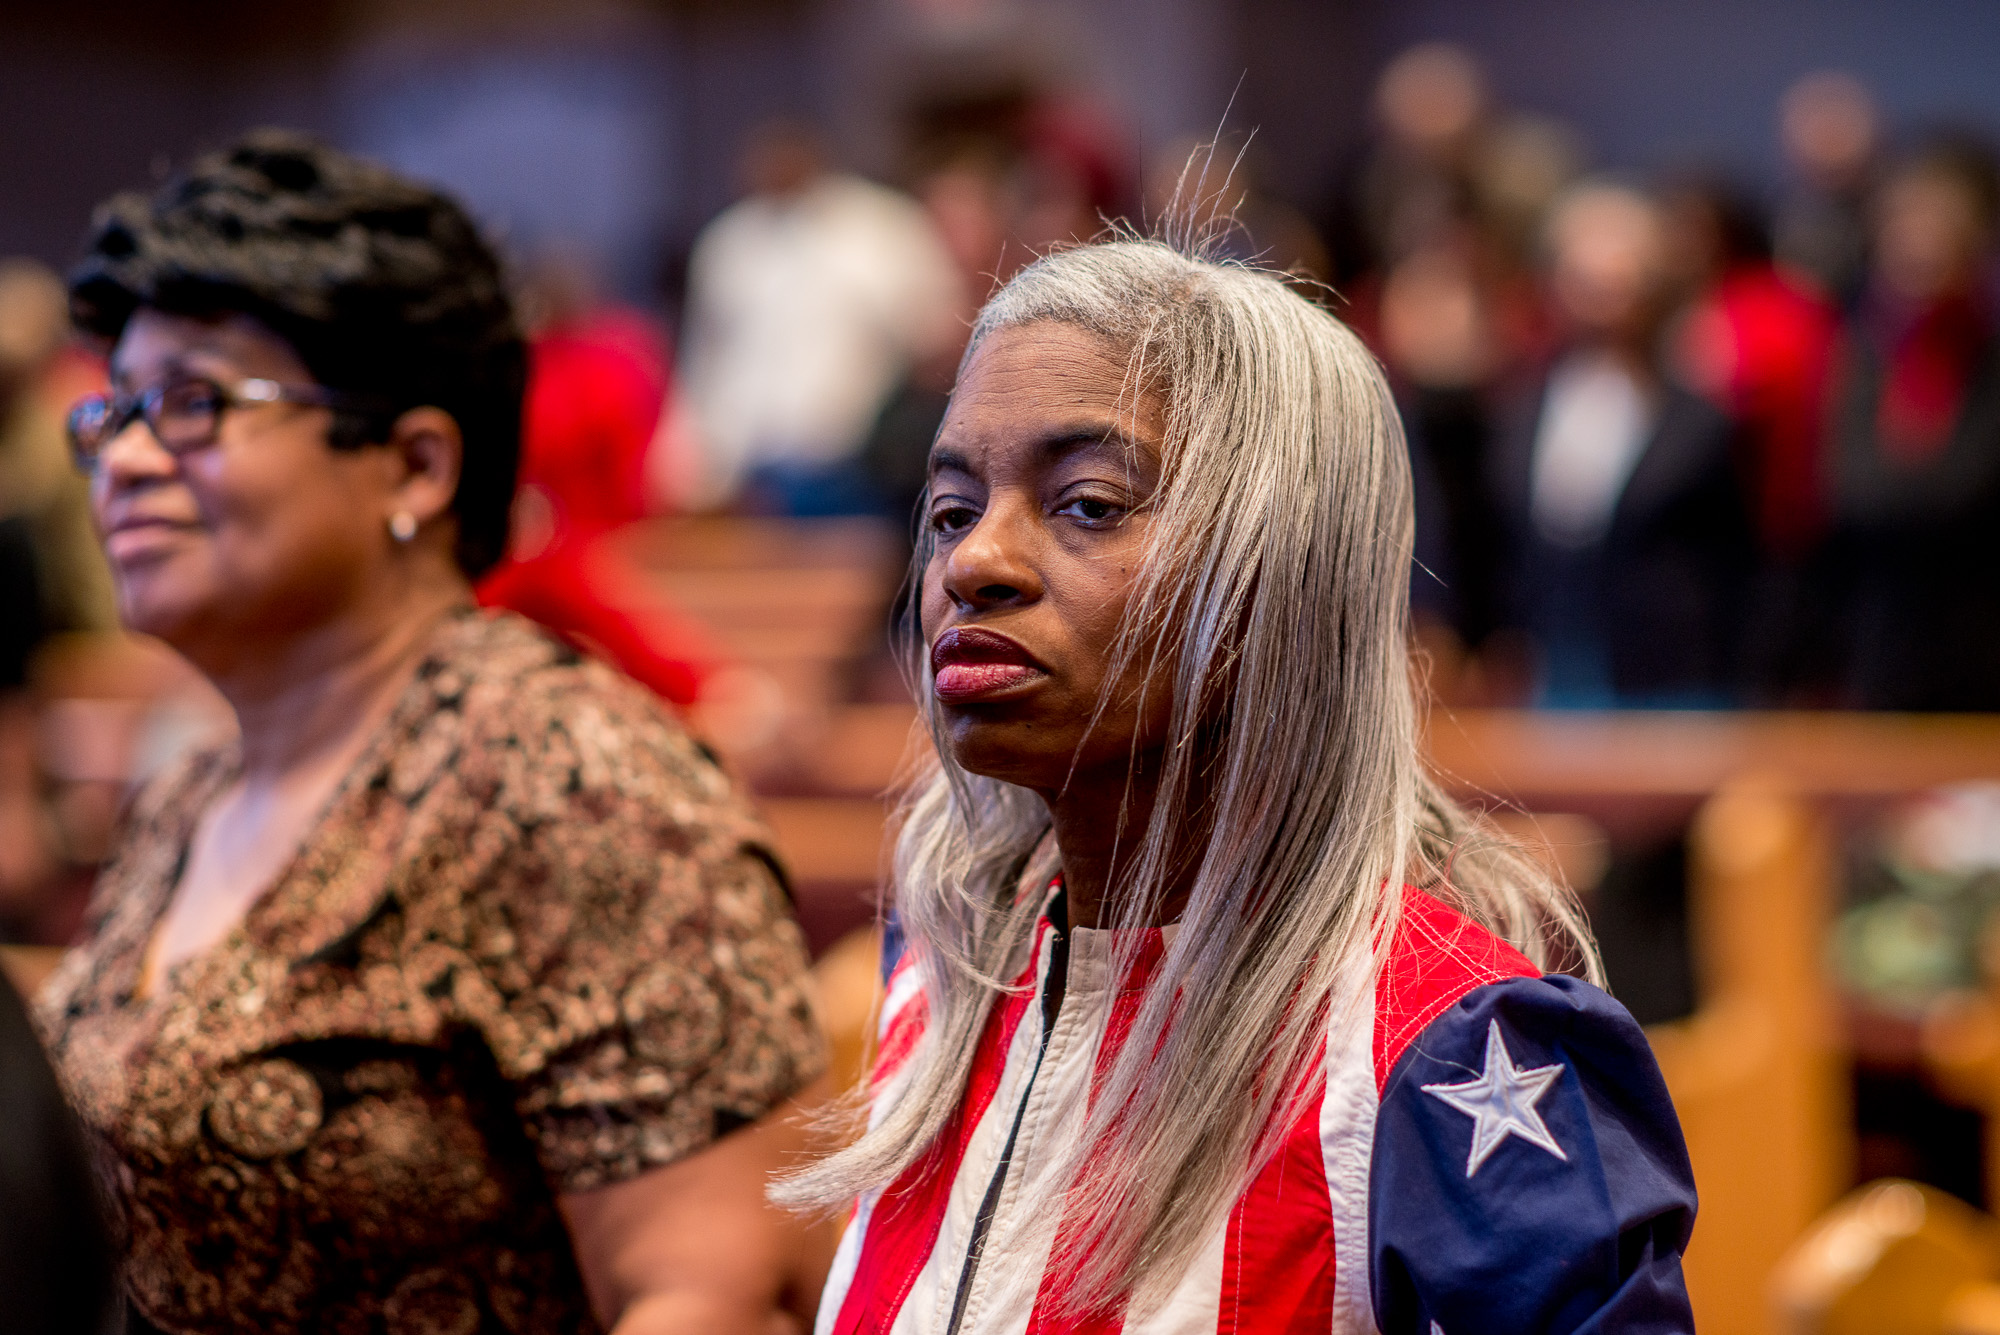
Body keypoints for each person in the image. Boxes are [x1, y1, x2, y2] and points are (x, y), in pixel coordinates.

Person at [780, 239, 1697, 1332]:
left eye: (1087, 503)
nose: (975, 562)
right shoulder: (943, 971)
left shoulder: (1440, 1053)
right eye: (950, 510)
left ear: (1281, 574)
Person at [39, 131, 831, 1335]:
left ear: (414, 465)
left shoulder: (575, 782)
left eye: (195, 403)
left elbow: (720, 1297)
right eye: (116, 410)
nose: (126, 461)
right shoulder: (190, 787)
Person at [1490, 182, 1754, 706]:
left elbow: (1739, 567)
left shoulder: (1698, 419)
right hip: (1552, 670)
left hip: (1672, 680)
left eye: (1619, 279)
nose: (1602, 299)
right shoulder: (1519, 406)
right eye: (1585, 278)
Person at [677, 119, 963, 514]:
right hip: (750, 470)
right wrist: (697, 464)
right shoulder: (729, 242)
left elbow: (936, 334)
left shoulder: (879, 226)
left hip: (858, 467)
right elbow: (706, 362)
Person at [1828, 135, 2000, 710]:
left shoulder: (1987, 361)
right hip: (1873, 648)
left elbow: (1965, 488)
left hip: (1980, 648)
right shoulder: (1859, 359)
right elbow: (1849, 493)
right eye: (1905, 239)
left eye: (1938, 239)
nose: (1919, 256)